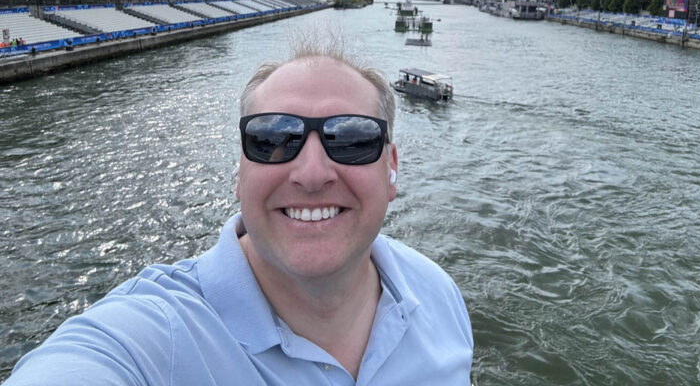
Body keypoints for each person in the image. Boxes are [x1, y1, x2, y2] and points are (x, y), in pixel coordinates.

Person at [6, 42, 474, 385]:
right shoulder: (154, 337)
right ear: (240, 173)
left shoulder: (439, 293)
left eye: (352, 139)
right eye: (272, 139)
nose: (312, 173)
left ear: (391, 168)